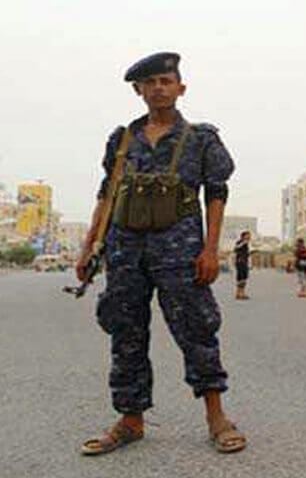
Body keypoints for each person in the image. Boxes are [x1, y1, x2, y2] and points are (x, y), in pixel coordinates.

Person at [76, 52, 246, 455]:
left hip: (180, 251)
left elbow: (216, 194)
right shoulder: (122, 140)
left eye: (165, 81)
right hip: (125, 252)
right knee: (125, 333)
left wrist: (211, 251)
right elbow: (107, 194)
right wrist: (88, 248)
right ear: (139, 90)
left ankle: (216, 416)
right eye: (150, 82)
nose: (158, 88)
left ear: (180, 88)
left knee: (197, 331)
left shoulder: (201, 138)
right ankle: (130, 419)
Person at [233, 231, 251, 300]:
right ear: (243, 236)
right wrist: (243, 243)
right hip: (240, 262)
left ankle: (242, 293)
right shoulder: (240, 242)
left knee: (244, 278)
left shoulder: (247, 244)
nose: (249, 237)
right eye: (248, 235)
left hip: (245, 262)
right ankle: (238, 293)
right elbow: (235, 249)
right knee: (240, 278)